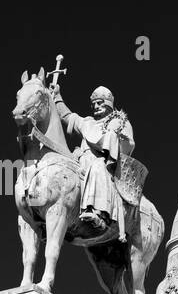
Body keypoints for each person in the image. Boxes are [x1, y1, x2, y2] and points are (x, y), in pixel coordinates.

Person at [53, 85, 134, 234]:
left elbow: (127, 147)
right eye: (94, 104)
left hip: (103, 166)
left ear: (108, 103)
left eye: (100, 103)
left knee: (97, 167)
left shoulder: (120, 122)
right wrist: (57, 96)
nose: (96, 106)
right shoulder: (87, 123)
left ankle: (99, 214)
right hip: (80, 163)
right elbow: (67, 116)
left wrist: (114, 135)